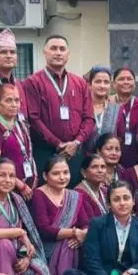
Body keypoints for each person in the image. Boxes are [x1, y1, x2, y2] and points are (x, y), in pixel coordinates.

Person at [24, 35, 95, 188]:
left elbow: (89, 118)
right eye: (53, 48)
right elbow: (33, 119)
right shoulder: (33, 82)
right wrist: (58, 144)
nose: (58, 53)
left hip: (74, 153)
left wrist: (76, 142)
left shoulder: (80, 83)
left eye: (62, 49)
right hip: (45, 152)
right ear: (44, 52)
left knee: (74, 195)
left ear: (68, 54)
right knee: (47, 196)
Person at [30, 156, 89, 275]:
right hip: (46, 247)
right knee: (67, 245)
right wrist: (74, 232)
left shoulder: (74, 196)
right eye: (56, 173)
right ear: (45, 176)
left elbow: (86, 224)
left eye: (66, 172)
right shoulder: (38, 195)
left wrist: (82, 236)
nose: (62, 177)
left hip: (72, 244)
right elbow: (44, 229)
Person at [0, 84, 36, 200]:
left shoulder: (20, 124)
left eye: (17, 100)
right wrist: (19, 184)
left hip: (27, 186)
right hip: (8, 188)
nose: (14, 104)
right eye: (8, 100)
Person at [111, 68, 138, 168]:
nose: (126, 82)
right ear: (114, 84)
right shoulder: (108, 104)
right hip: (111, 155)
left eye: (129, 79)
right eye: (121, 79)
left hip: (136, 157)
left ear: (134, 84)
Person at [85, 66, 120, 152]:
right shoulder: (82, 108)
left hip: (109, 158)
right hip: (83, 158)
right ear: (89, 85)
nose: (102, 86)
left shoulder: (116, 110)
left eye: (106, 82)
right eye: (98, 81)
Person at [75, 154, 108, 220]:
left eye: (103, 167)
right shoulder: (77, 195)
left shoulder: (106, 191)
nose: (100, 170)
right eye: (94, 167)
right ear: (83, 172)